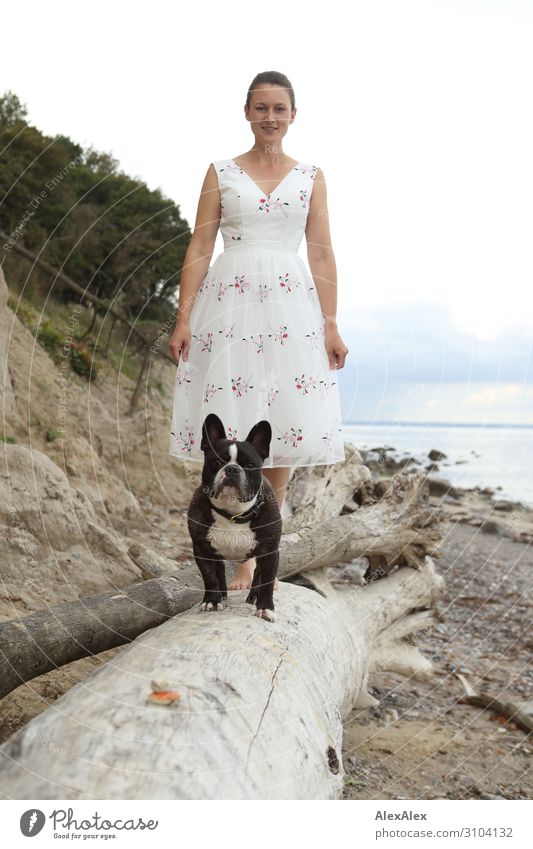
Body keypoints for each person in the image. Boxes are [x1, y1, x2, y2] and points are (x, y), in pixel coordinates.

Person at [168, 70, 349, 591]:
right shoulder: (220, 171)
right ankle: (220, 539)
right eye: (261, 108)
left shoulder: (311, 175)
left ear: (293, 116)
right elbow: (200, 248)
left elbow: (320, 251)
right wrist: (183, 317)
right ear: (247, 112)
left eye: (279, 109)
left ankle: (256, 551)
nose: (270, 117)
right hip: (228, 305)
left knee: (283, 424)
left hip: (292, 306)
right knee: (230, 415)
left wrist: (331, 323)